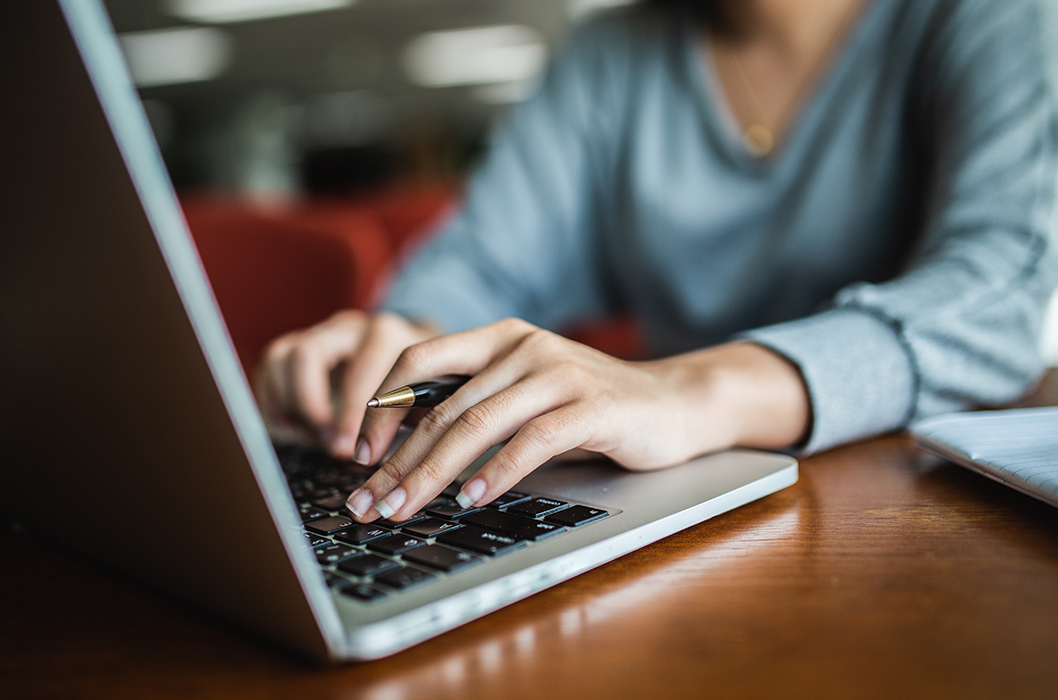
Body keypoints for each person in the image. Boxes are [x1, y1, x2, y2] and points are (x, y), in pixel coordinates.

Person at [257, 0, 1058, 523]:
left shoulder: (988, 18)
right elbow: (484, 263)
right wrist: (403, 351)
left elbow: (996, 298)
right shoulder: (611, 54)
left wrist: (689, 388)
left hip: (908, 510)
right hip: (675, 505)